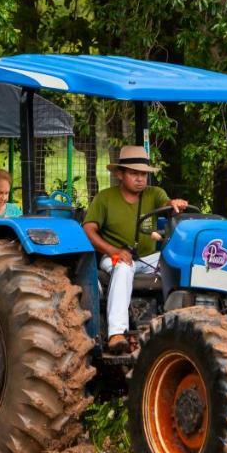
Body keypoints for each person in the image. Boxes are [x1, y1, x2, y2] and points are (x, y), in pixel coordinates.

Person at [82, 146, 188, 354]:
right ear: (120, 174)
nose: (140, 179)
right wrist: (113, 251)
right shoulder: (104, 199)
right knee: (123, 267)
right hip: (114, 257)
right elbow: (88, 230)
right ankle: (116, 333)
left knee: (181, 260)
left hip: (147, 258)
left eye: (143, 174)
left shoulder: (154, 194)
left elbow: (167, 204)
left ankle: (179, 322)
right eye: (134, 173)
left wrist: (174, 203)